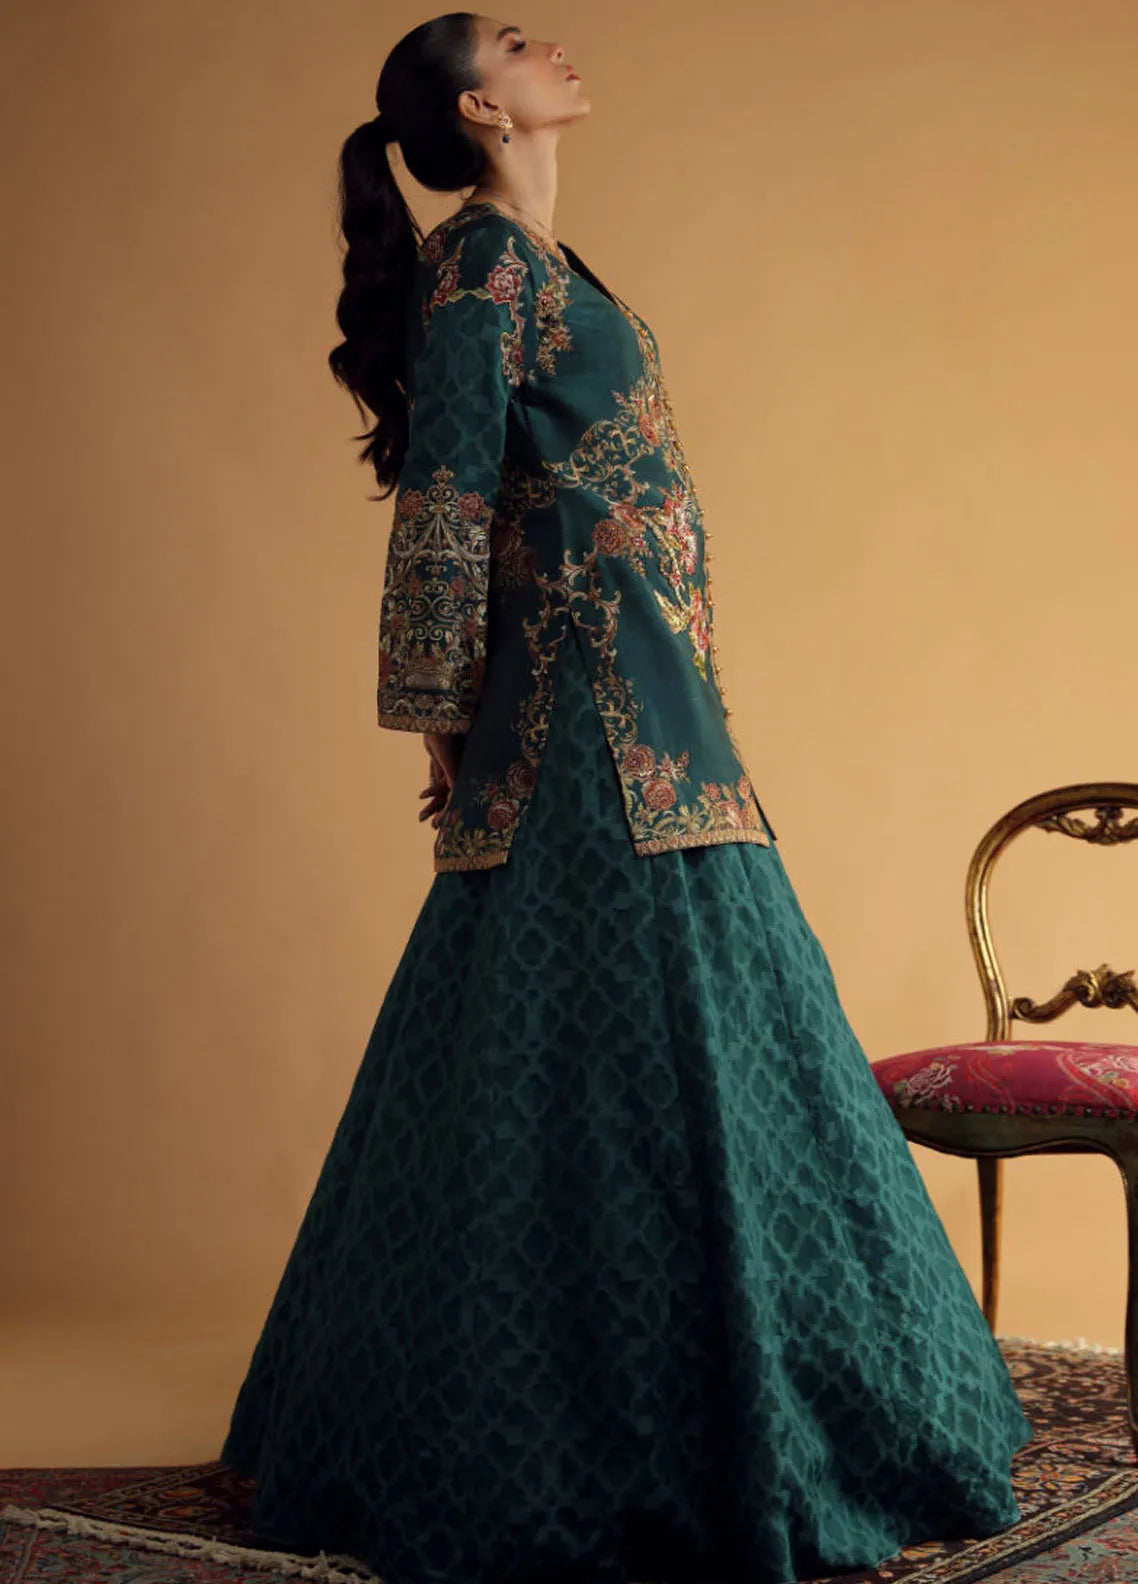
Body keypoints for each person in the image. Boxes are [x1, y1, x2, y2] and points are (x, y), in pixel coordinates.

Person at [219, 13, 1034, 1584]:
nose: (557, 50)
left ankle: (747, 1399)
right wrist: (439, 712)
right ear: (478, 106)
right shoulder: (481, 266)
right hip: (577, 704)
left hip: (654, 693)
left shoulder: (551, 263)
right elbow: (448, 488)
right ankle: (579, 1429)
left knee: (687, 1016)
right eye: (520, 44)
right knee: (577, 1026)